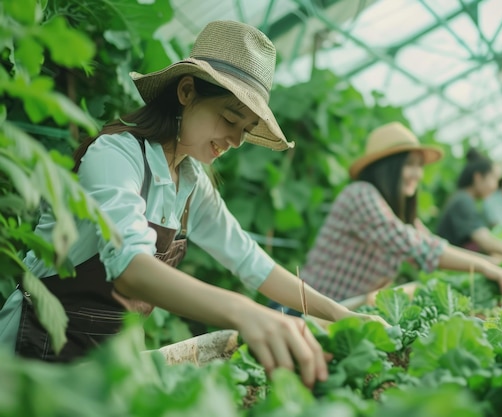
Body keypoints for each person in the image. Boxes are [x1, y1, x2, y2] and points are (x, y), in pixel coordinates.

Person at [0, 20, 382, 389]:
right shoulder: (116, 156)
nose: (234, 139)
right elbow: (131, 268)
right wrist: (244, 312)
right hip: (36, 351)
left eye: (246, 130)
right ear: (186, 92)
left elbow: (249, 260)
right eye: (230, 118)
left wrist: (338, 314)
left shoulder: (191, 181)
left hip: (106, 359)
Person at [293, 122, 502, 306]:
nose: (417, 174)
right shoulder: (360, 194)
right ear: (387, 167)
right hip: (300, 310)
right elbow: (418, 247)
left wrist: (490, 263)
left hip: (339, 310)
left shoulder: (392, 210)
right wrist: (486, 266)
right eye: (409, 164)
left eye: (420, 166)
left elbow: (430, 242)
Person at [436, 149, 502, 265]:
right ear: (478, 178)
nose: (495, 186)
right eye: (493, 179)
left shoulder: (463, 198)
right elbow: (485, 242)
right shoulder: (463, 201)